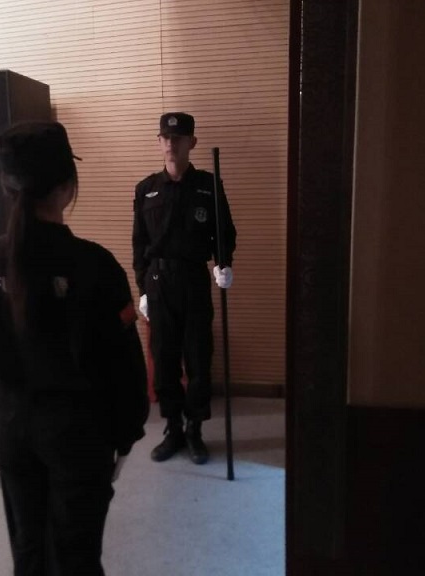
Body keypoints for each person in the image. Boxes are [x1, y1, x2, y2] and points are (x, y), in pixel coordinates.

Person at [0, 121, 149, 576]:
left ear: (7, 187)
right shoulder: (94, 266)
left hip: (10, 428)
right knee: (77, 558)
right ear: (66, 187)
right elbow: (122, 365)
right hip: (77, 435)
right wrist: (125, 435)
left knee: (28, 552)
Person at [132, 112, 236, 465]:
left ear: (192, 142)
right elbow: (139, 244)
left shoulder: (208, 185)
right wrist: (142, 289)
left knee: (198, 358)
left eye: (178, 138)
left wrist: (224, 263)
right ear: (159, 142)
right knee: (164, 360)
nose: (172, 144)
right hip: (158, 283)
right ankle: (173, 428)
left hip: (193, 280)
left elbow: (224, 232)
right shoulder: (146, 189)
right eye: (166, 137)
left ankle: (194, 430)